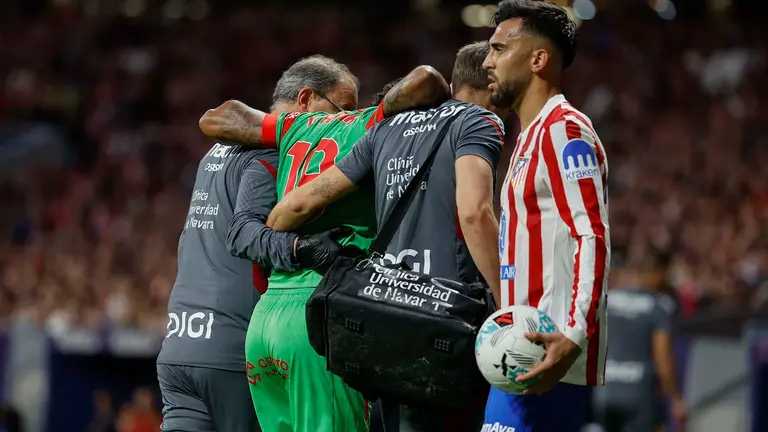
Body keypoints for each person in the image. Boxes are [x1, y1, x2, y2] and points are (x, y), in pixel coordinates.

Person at [266, 41, 507, 432]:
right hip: (447, 318)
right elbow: (474, 212)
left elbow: (299, 203)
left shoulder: (386, 129)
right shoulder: (479, 121)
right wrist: (508, 302)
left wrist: (270, 236)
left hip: (385, 309)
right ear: (492, 82)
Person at [199, 64, 451, 432]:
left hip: (265, 324)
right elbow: (426, 78)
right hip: (320, 318)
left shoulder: (294, 126)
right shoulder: (369, 123)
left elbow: (217, 117)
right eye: (342, 105)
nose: (344, 113)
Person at [156, 55, 360, 432]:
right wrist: (304, 249)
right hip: (231, 353)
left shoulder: (214, 154)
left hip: (179, 349)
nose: (345, 122)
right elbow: (243, 234)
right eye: (342, 109)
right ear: (305, 100)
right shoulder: (271, 153)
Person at [482, 1, 610, 431]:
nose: (487, 61)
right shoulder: (529, 136)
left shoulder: (564, 129)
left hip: (547, 354)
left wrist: (574, 336)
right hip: (519, 352)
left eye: (499, 49)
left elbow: (592, 234)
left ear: (538, 59)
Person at [593, 265, 686, 432]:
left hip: (605, 392)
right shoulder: (657, 306)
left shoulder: (608, 300)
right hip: (638, 394)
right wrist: (675, 398)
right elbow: (662, 357)